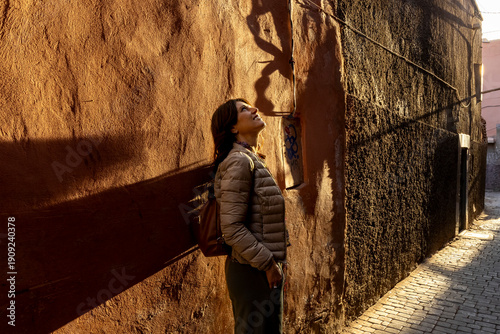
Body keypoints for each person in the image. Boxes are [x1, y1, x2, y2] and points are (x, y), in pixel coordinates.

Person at [211, 98, 289, 333]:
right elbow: (232, 228)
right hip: (251, 272)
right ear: (233, 128)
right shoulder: (239, 161)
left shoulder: (251, 159)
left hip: (260, 270)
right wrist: (268, 264)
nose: (254, 109)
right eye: (244, 109)